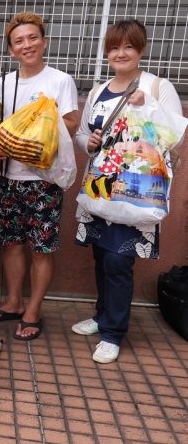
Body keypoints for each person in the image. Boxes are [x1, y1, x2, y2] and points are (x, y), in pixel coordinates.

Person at [72, 19, 186, 363]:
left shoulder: (156, 86)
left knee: (119, 258)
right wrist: (87, 141)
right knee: (100, 255)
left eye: (129, 47)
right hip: (102, 186)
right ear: (107, 53)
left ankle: (113, 332)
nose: (121, 54)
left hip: (136, 190)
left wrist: (143, 106)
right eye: (114, 48)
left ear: (141, 50)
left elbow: (172, 135)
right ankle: (103, 314)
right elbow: (83, 135)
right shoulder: (98, 90)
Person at [0, 12, 79, 341]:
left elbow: (70, 123)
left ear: (44, 41)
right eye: (19, 41)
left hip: (44, 181)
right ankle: (13, 301)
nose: (27, 45)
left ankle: (34, 309)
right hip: (10, 179)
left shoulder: (60, 81)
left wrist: (28, 139)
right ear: (11, 49)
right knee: (10, 245)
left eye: (33, 38)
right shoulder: (3, 84)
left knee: (41, 249)